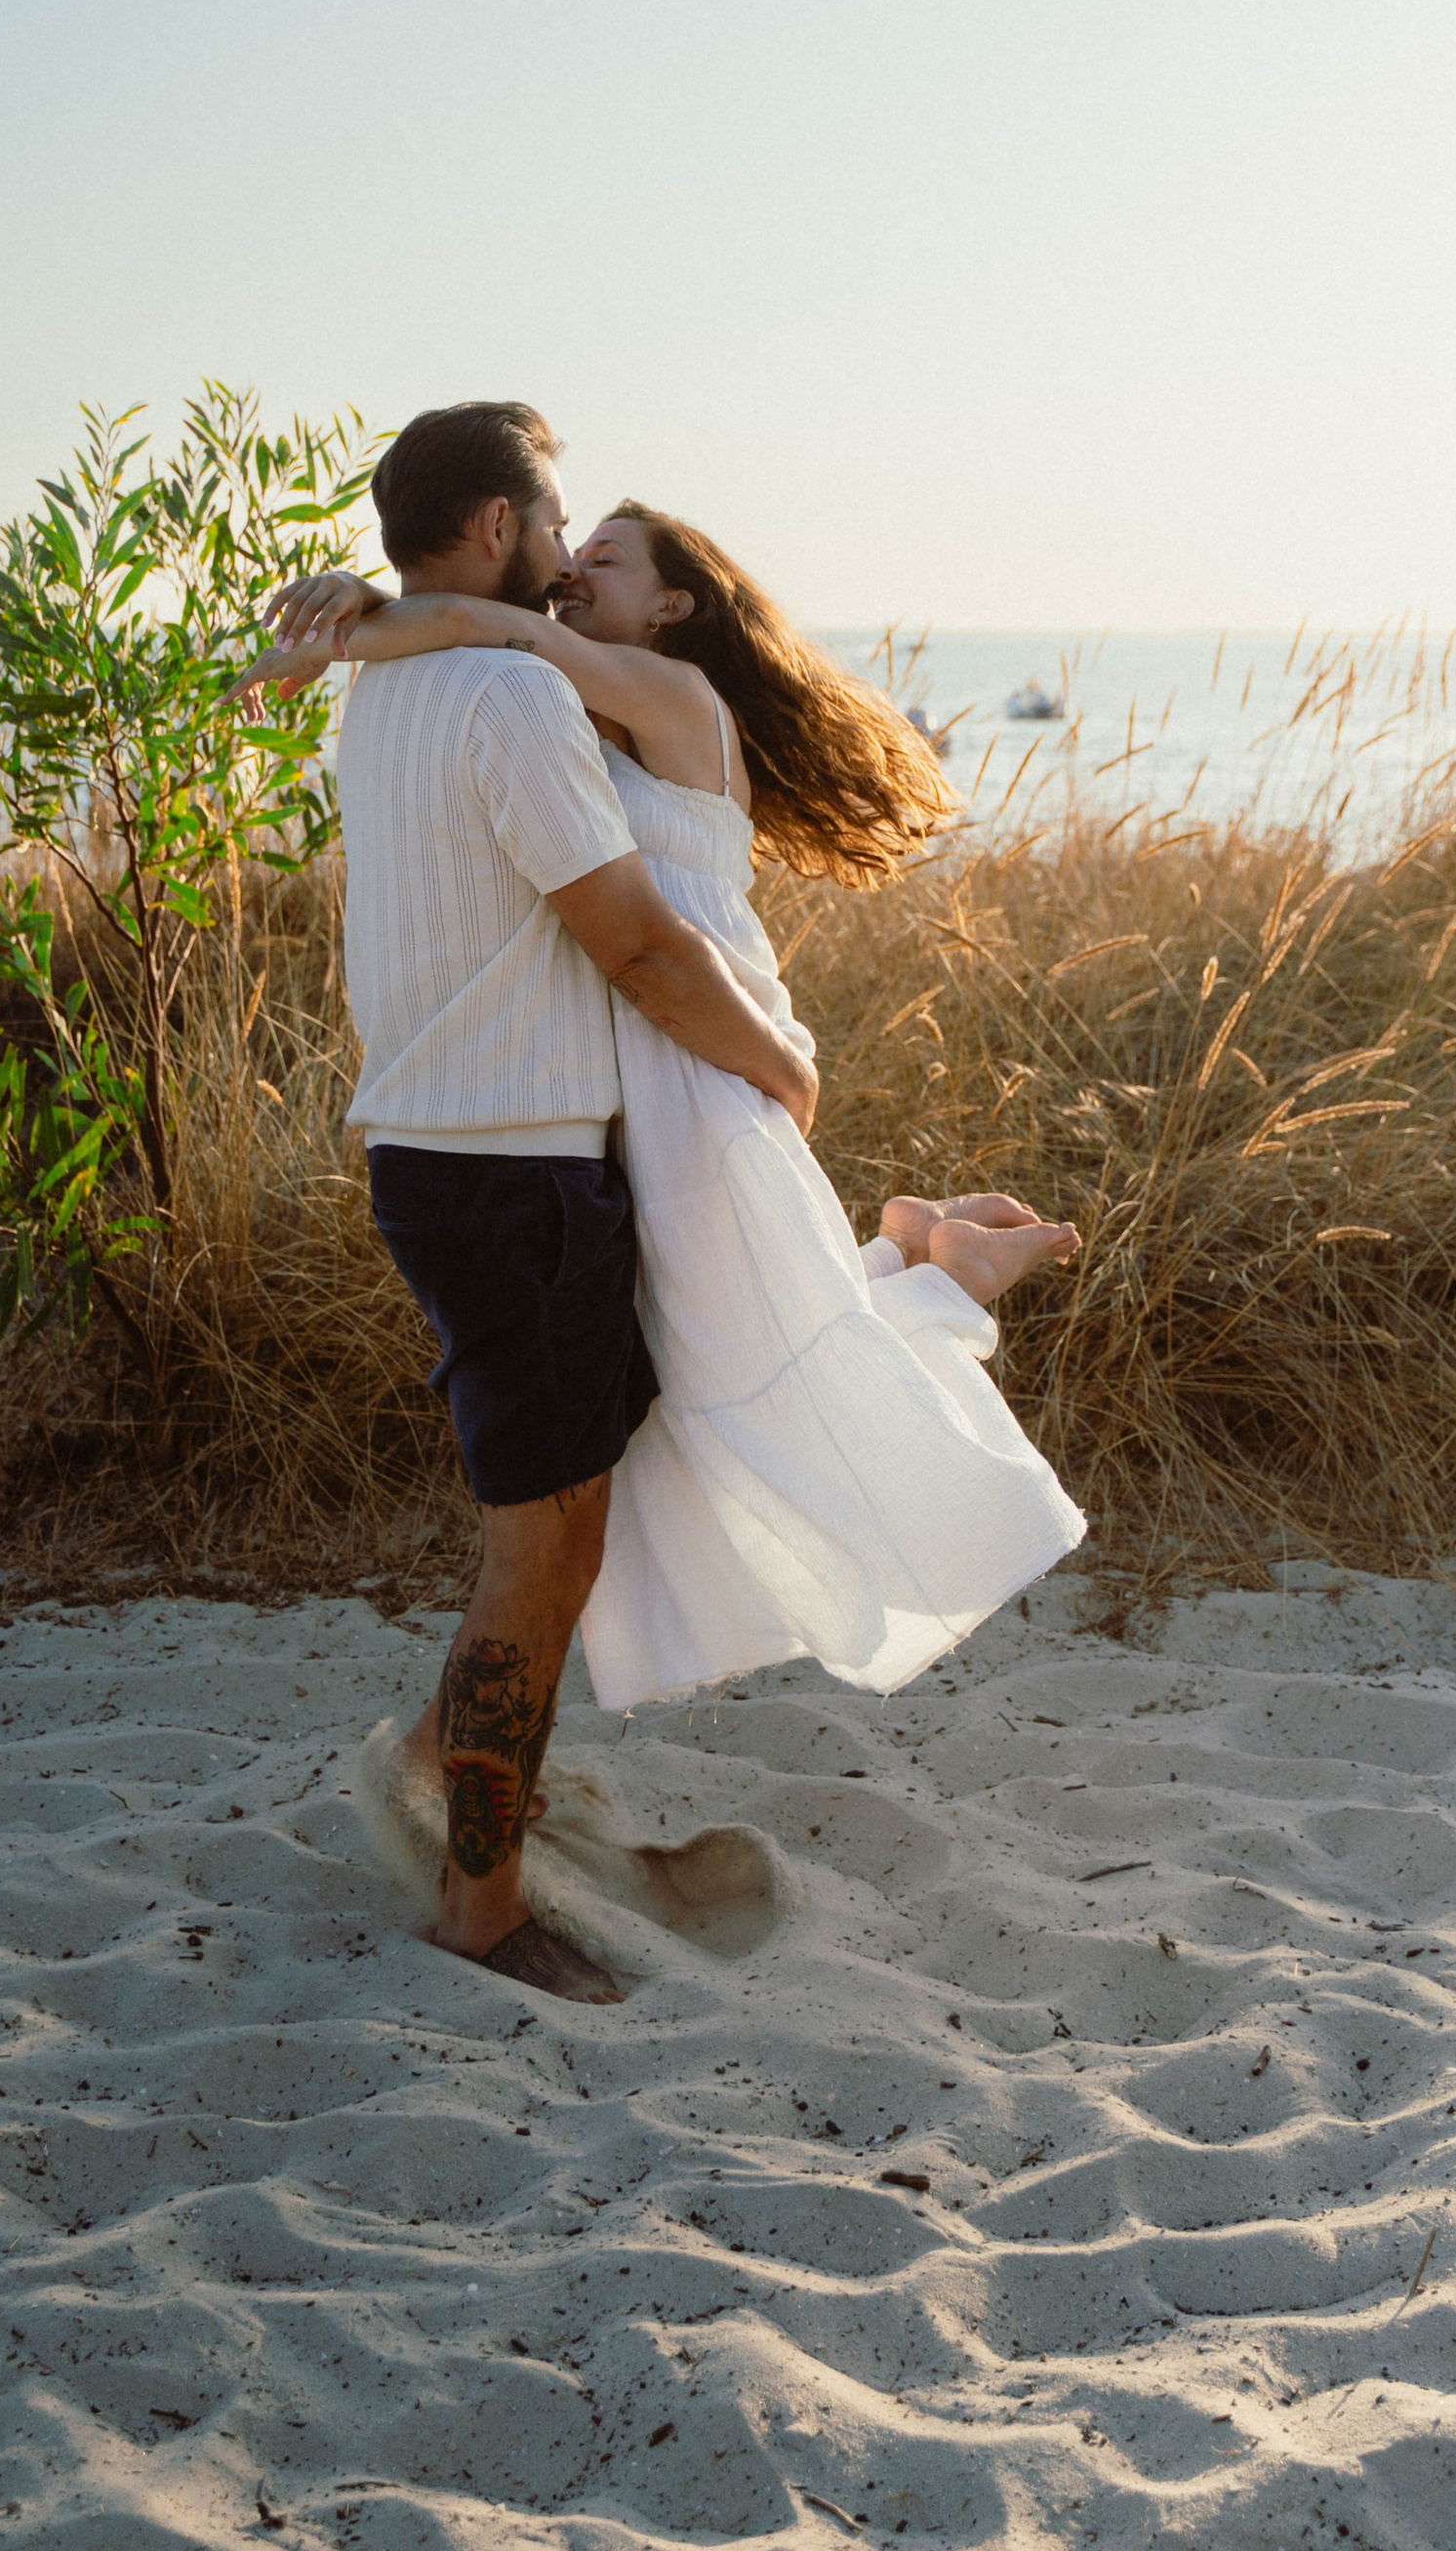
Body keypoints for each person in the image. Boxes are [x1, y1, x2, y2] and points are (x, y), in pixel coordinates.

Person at [245, 469, 1088, 1945]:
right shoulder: (581, 698)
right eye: (572, 543)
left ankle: (934, 1266)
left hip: (708, 1075)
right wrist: (381, 624)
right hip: (659, 1081)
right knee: (714, 1373)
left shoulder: (661, 697)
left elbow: (508, 644)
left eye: (612, 557)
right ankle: (919, 1253)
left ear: (676, 607)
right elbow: (496, 677)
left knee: (762, 1365)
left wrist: (362, 621)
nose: (578, 573)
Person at [237, 402, 818, 2009]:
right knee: (542, 1551)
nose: (564, 559)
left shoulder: (394, 693)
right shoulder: (503, 694)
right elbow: (630, 938)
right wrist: (776, 1060)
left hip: (447, 1157)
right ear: (496, 524)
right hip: (515, 1173)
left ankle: (445, 1768)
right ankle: (479, 1902)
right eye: (554, 525)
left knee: (553, 1526)